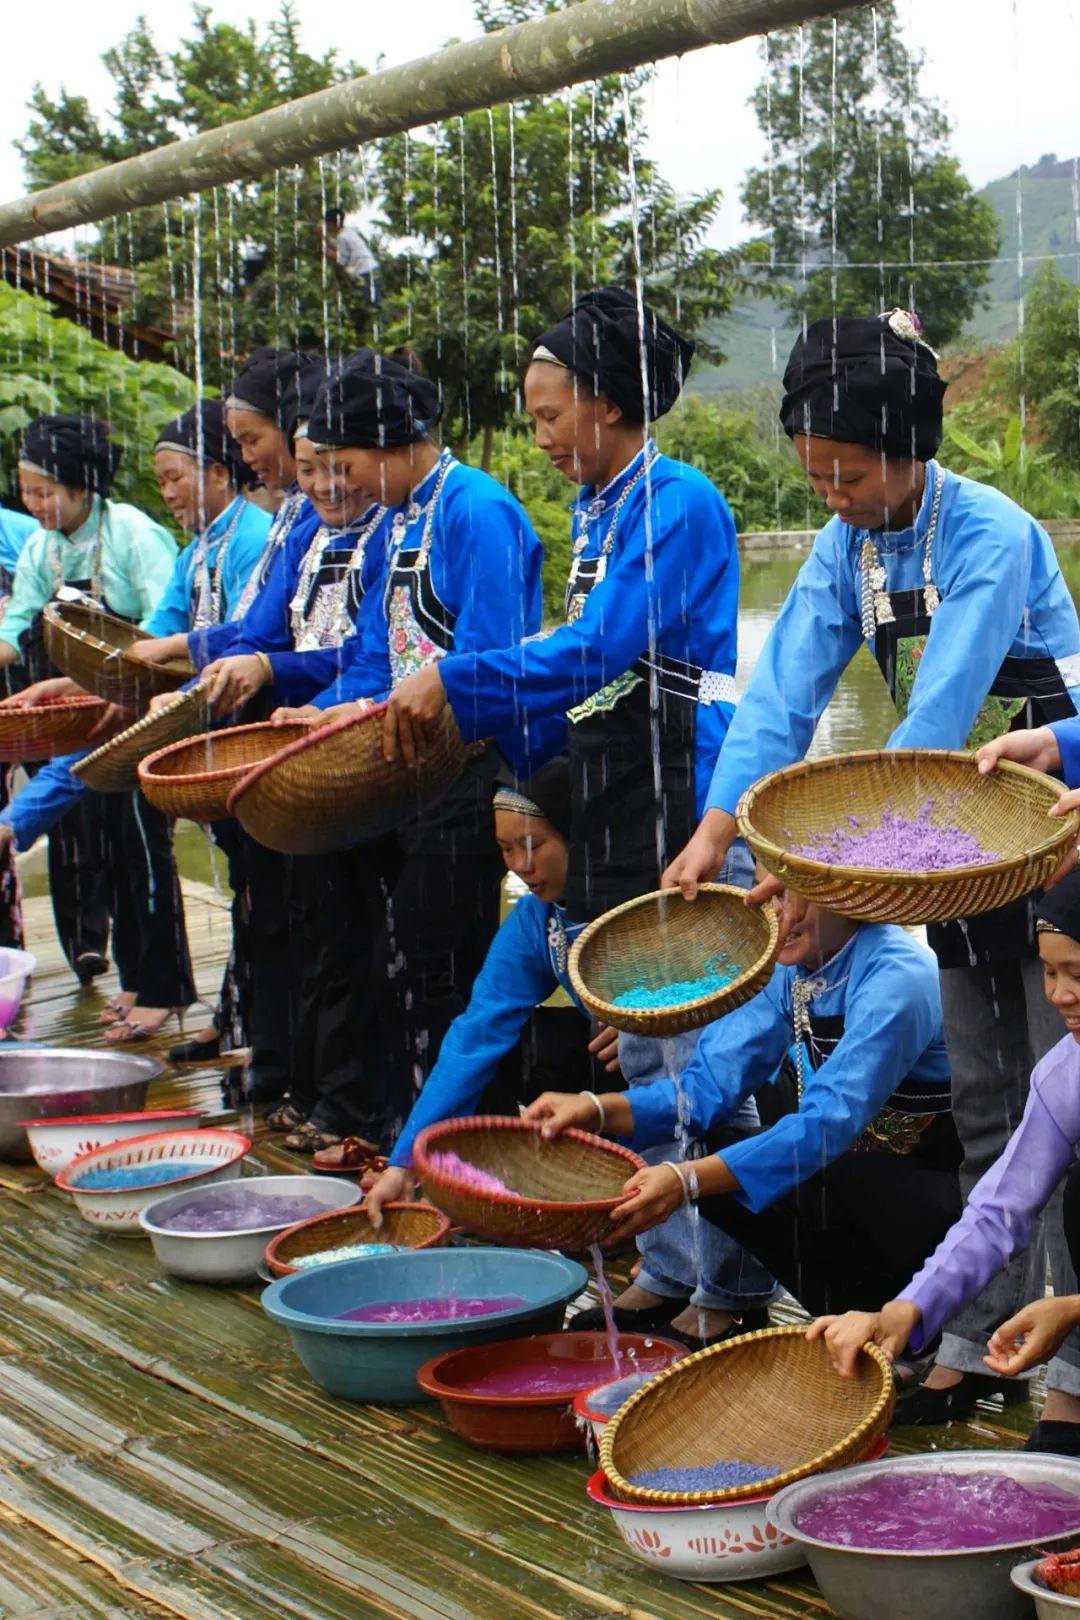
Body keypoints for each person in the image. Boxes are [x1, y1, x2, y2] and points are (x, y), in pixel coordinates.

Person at [663, 309, 1080, 1421]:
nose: (831, 496)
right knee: (990, 1101)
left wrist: (832, 872)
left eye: (847, 473)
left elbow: (936, 721)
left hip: (1048, 849)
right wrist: (719, 829)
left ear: (909, 452)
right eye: (817, 476)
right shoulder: (849, 552)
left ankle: (1072, 1377)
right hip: (950, 852)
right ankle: (983, 1335)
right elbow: (785, 695)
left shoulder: (986, 532)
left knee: (1064, 1104)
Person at [367, 287, 769, 1334]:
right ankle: (671, 1264)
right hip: (611, 781)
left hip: (679, 784)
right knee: (637, 1036)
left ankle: (731, 1282)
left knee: (695, 1044)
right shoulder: (600, 507)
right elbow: (579, 670)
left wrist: (456, 679)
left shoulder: (675, 501)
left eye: (550, 414)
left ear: (606, 402)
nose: (539, 435)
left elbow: (599, 650)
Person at [272, 347, 547, 1158]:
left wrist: (386, 704)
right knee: (397, 953)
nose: (338, 484)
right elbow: (368, 658)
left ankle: (476, 1148)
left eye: (346, 464)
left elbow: (493, 658)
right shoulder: (398, 521)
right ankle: (412, 1136)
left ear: (393, 443)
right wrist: (319, 715)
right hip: (400, 770)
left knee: (440, 956)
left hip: (468, 767)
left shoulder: (477, 511)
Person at [525, 882, 962, 1343]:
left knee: (721, 1173)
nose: (774, 912)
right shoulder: (789, 971)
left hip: (931, 1195)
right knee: (713, 1152)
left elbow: (826, 1125)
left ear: (845, 892)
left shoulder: (898, 975)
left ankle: (913, 1325)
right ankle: (858, 1320)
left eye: (791, 893)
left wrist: (685, 1179)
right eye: (764, 891)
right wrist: (594, 1111)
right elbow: (705, 1091)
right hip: (855, 1173)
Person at [811, 868, 1080, 1456]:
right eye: (1051, 973)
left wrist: (1073, 1311)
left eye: (1077, 975)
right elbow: (995, 1212)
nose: (1059, 995)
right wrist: (904, 1312)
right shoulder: (1065, 1077)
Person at [0, 414, 193, 1040]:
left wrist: (118, 686)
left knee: (144, 854)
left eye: (44, 491)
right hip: (91, 710)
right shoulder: (42, 547)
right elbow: (14, 627)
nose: (34, 504)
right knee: (107, 855)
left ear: (83, 486)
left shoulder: (133, 534)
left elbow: (164, 635)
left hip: (141, 709)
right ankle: (136, 980)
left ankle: (164, 989)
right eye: (26, 492)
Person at [365, 759, 612, 1220]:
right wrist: (405, 1162)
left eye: (534, 845)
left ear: (575, 835)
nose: (521, 866)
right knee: (513, 1045)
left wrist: (652, 1023)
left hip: (698, 1078)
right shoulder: (537, 919)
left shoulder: (635, 896)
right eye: (505, 849)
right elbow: (475, 1033)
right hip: (602, 1068)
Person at [324, 208, 380, 308]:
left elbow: (342, 261)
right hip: (371, 269)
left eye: (327, 224)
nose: (327, 227)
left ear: (333, 224)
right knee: (372, 302)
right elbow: (339, 246)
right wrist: (325, 237)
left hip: (364, 271)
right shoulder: (347, 232)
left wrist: (331, 255)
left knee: (368, 305)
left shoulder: (342, 237)